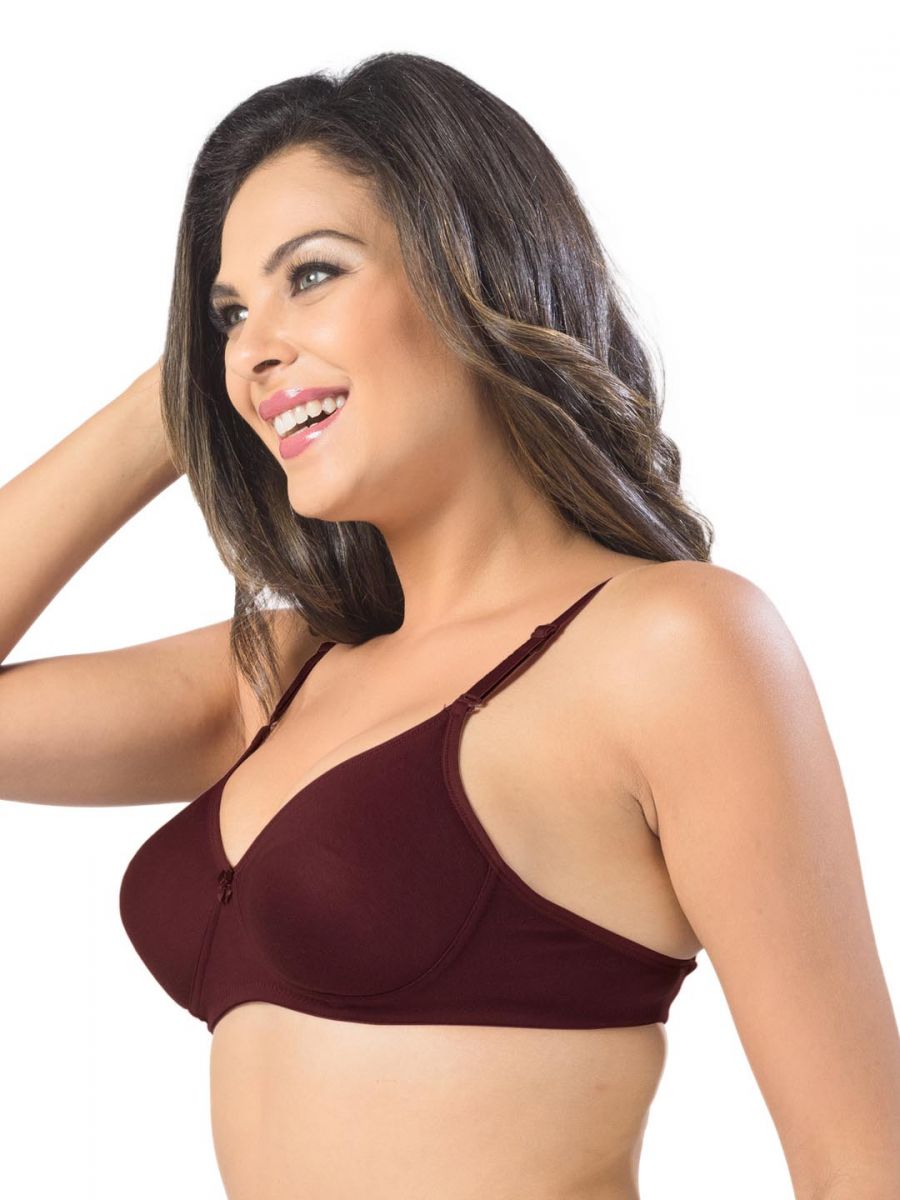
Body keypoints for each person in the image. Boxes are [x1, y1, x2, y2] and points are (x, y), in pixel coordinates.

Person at [2, 50, 898, 1200]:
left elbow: (861, 1164)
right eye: (229, 313)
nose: (254, 346)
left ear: (471, 270)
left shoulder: (670, 645)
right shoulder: (282, 672)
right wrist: (169, 406)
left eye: (311, 274)